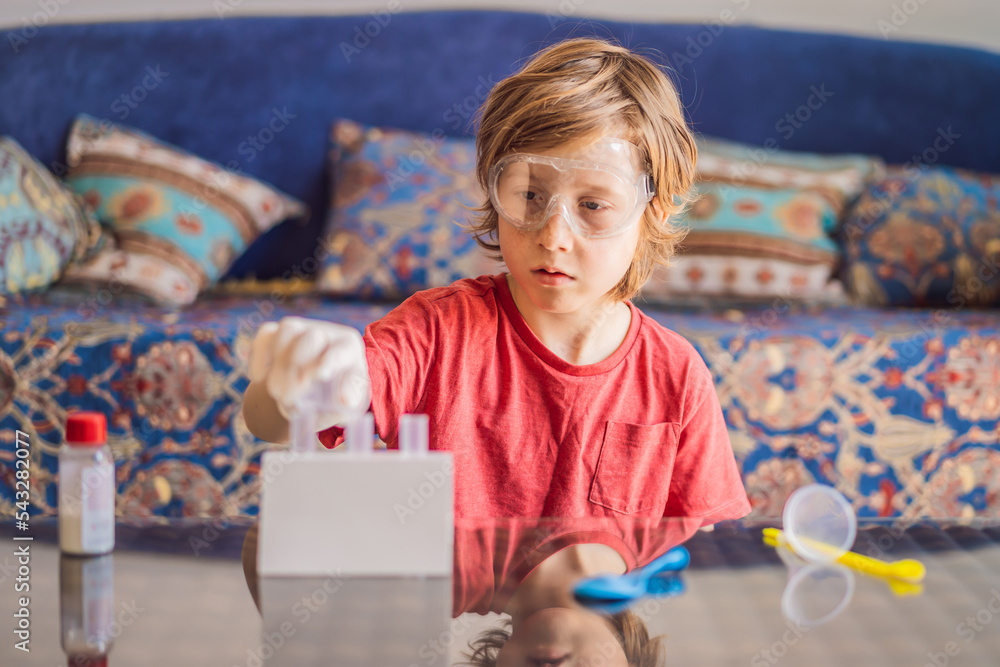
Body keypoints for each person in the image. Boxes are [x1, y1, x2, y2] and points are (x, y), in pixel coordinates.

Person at [243, 36, 751, 526]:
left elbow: (703, 552)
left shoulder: (677, 376)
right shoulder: (435, 331)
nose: (553, 236)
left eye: (593, 205)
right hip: (446, 608)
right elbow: (272, 420)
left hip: (593, 612)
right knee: (260, 545)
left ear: (653, 213)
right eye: (530, 195)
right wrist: (296, 385)